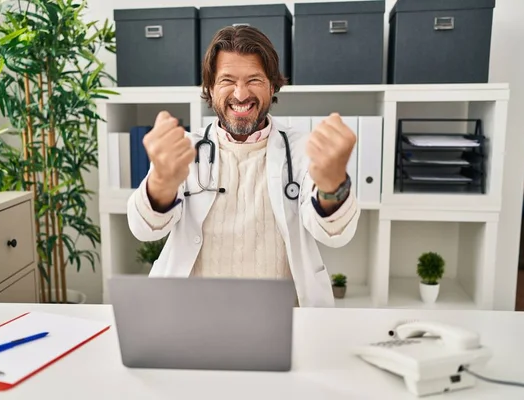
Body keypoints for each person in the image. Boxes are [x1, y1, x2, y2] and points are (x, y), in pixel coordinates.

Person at [127, 25, 360, 307]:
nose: (240, 94)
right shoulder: (185, 147)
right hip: (195, 314)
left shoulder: (302, 149)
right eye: (227, 80)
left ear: (272, 85)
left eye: (254, 80)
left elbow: (336, 235)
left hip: (280, 317)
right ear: (210, 88)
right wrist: (162, 181)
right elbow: (144, 229)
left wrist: (333, 184)